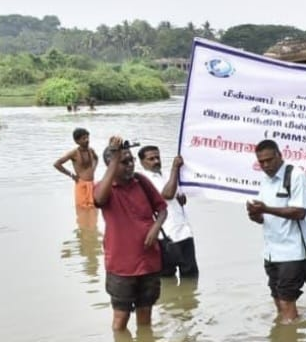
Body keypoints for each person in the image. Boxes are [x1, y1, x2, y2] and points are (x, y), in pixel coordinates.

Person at [94, 136, 168, 331]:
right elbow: (99, 200)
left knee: (146, 318)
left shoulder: (141, 182)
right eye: (123, 162)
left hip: (149, 262)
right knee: (120, 320)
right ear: (112, 165)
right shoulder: (104, 188)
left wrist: (155, 228)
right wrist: (115, 156)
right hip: (122, 267)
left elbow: (162, 209)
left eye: (131, 160)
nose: (130, 165)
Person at [248, 140, 306, 324]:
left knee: (286, 301)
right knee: (278, 300)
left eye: (269, 160)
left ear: (280, 155)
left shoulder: (296, 176)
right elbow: (264, 216)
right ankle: (287, 330)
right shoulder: (265, 180)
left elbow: (300, 212)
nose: (266, 165)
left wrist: (266, 209)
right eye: (261, 162)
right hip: (271, 252)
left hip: (292, 252)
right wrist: (255, 215)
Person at [137, 146, 198, 279]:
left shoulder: (165, 175)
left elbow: (180, 199)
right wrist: (175, 168)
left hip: (184, 231)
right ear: (142, 162)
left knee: (190, 277)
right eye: (151, 159)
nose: (156, 161)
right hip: (166, 235)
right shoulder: (144, 179)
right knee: (167, 277)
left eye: (157, 157)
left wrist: (181, 197)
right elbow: (168, 194)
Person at [54, 127, 99, 209]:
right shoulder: (74, 153)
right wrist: (71, 175)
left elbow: (96, 158)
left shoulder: (91, 150)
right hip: (81, 185)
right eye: (83, 138)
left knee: (93, 211)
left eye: (87, 137)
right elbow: (57, 164)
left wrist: (94, 168)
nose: (87, 140)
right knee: (82, 210)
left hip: (92, 185)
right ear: (76, 141)